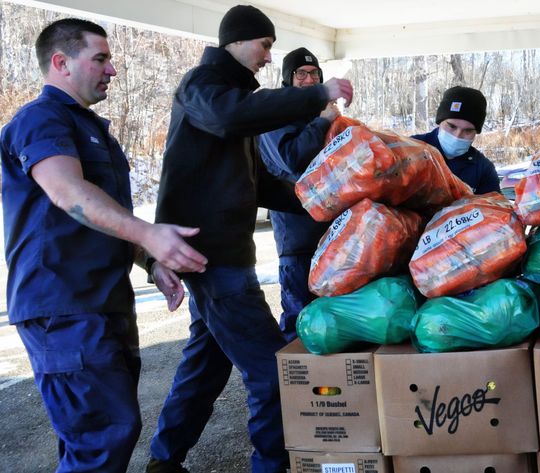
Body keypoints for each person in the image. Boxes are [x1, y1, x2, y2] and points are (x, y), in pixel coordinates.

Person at [146, 5, 353, 473]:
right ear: (237, 41)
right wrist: (317, 96)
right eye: (264, 45)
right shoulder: (203, 89)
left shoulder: (234, 105)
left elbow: (259, 184)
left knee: (206, 366)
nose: (266, 56)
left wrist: (327, 205)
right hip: (214, 260)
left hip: (218, 257)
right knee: (275, 374)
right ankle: (270, 465)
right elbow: (229, 115)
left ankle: (164, 460)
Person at [0, 18, 207, 473]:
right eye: (100, 58)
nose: (112, 70)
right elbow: (67, 193)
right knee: (102, 436)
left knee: (96, 438)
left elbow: (102, 215)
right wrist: (150, 234)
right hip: (63, 306)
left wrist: (149, 260)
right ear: (61, 63)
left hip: (101, 303)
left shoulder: (92, 129)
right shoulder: (40, 119)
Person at [258, 47, 338, 341]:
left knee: (331, 323)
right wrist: (323, 122)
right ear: (288, 79)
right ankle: (293, 385)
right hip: (297, 240)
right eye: (301, 74)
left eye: (314, 73)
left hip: (332, 235)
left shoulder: (319, 114)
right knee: (301, 323)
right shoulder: (274, 115)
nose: (308, 79)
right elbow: (292, 160)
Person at [412, 86, 500, 195]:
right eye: (451, 126)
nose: (457, 135)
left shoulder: (483, 169)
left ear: (475, 132)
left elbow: (493, 208)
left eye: (468, 131)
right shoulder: (411, 148)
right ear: (440, 122)